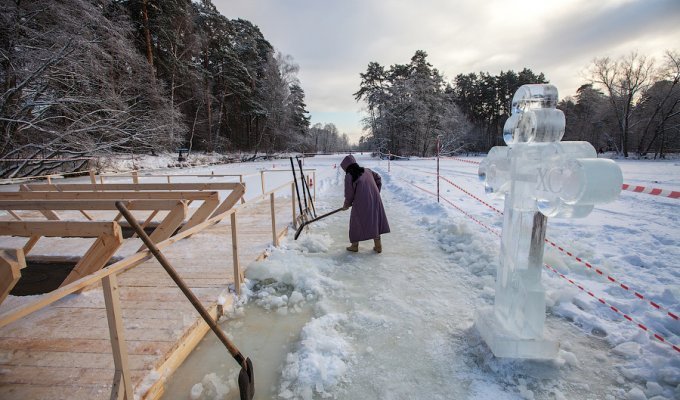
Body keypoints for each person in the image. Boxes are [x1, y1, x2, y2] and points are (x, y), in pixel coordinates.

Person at [340, 154, 390, 253]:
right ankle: (378, 246)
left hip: (361, 202)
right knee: (374, 221)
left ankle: (354, 246)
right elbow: (378, 179)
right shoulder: (367, 170)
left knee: (356, 222)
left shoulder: (349, 176)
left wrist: (346, 204)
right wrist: (375, 192)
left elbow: (349, 194)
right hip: (375, 200)